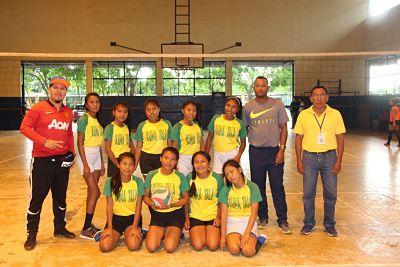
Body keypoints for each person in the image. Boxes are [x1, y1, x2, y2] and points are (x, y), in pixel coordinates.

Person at [20, 76, 76, 251]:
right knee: (37, 199)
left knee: (60, 198)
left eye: (63, 89)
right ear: (49, 90)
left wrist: (72, 153)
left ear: (66, 92)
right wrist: (45, 141)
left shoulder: (68, 112)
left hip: (62, 162)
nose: (59, 91)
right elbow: (24, 128)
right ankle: (32, 233)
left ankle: (59, 228)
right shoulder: (38, 109)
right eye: (56, 88)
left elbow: (68, 134)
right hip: (42, 161)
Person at [242, 76, 292, 234]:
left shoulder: (277, 104)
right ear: (254, 88)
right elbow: (244, 130)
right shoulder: (247, 107)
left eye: (263, 85)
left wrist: (282, 150)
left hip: (274, 151)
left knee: (277, 186)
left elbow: (283, 128)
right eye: (257, 86)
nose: (260, 88)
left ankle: (283, 220)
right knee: (258, 186)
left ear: (268, 87)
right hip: (256, 151)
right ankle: (263, 217)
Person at [294, 85, 345, 237]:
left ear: (327, 97)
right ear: (311, 98)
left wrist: (339, 161)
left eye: (322, 95)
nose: (319, 98)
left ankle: (329, 224)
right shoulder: (304, 114)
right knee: (308, 193)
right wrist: (298, 159)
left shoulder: (335, 114)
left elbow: (341, 138)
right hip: (309, 158)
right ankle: (308, 223)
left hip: (330, 157)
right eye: (315, 95)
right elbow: (298, 138)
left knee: (331, 193)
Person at [143, 147, 189, 253]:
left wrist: (172, 205)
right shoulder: (152, 174)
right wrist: (151, 204)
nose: (169, 161)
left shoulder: (180, 176)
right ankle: (164, 232)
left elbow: (186, 199)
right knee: (151, 247)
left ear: (177, 161)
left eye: (173, 159)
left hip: (175, 214)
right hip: (157, 215)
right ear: (160, 158)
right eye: (166, 158)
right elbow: (146, 197)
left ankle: (174, 231)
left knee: (170, 247)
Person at [99, 152, 144, 252]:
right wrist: (109, 227)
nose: (127, 167)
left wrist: (135, 226)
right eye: (124, 163)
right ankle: (118, 233)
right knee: (105, 247)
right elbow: (109, 206)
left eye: (131, 164)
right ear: (118, 165)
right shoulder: (110, 182)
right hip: (116, 219)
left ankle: (138, 231)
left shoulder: (138, 182)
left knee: (134, 246)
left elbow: (138, 207)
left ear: (134, 166)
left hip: (132, 218)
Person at [219, 160, 264, 257]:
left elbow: (254, 213)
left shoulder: (253, 187)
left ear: (239, 170)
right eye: (227, 174)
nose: (230, 176)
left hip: (248, 222)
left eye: (232, 171)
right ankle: (240, 240)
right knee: (234, 250)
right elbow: (223, 214)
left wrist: (247, 233)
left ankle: (259, 241)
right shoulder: (225, 189)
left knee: (248, 251)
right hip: (232, 222)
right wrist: (223, 237)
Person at [76, 92, 105, 239]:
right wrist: (86, 164)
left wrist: (102, 163)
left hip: (96, 157)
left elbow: (99, 144)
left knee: (91, 192)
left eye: (97, 102)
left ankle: (88, 225)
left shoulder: (97, 121)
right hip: (86, 156)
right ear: (86, 104)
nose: (95, 104)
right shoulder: (84, 119)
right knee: (96, 192)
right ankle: (85, 228)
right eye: (92, 102)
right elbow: (79, 143)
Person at [185, 151, 224, 251]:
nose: (200, 165)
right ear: (193, 165)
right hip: (196, 216)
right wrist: (187, 218)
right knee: (198, 246)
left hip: (212, 216)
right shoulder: (189, 178)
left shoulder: (217, 178)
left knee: (213, 246)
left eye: (203, 161)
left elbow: (221, 201)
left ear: (209, 163)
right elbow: (186, 201)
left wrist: (218, 217)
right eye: (196, 162)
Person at [205, 97, 246, 175]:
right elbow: (209, 138)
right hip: (217, 154)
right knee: (218, 179)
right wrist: (206, 154)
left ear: (237, 109)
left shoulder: (240, 123)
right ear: (224, 106)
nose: (230, 109)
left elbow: (243, 143)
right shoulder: (216, 119)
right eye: (228, 105)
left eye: (233, 107)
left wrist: (238, 156)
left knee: (232, 179)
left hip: (232, 154)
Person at [135, 99, 172, 179]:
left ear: (159, 109)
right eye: (148, 109)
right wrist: (136, 162)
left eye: (154, 109)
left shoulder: (167, 124)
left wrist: (171, 159)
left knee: (162, 182)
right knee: (149, 184)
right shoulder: (142, 126)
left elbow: (169, 143)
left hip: (162, 157)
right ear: (145, 111)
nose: (151, 112)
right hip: (146, 158)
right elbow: (138, 147)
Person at [171, 100, 204, 176]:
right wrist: (174, 163)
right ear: (183, 111)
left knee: (195, 182)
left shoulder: (198, 126)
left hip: (197, 158)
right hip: (182, 159)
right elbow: (174, 147)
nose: (191, 113)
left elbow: (201, 144)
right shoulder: (177, 127)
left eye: (194, 110)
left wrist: (204, 159)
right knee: (183, 182)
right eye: (188, 110)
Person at [104, 103, 135, 178]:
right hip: (115, 160)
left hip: (126, 160)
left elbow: (130, 143)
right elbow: (107, 149)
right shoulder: (110, 127)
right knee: (115, 185)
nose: (122, 114)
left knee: (126, 184)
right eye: (119, 111)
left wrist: (134, 158)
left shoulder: (126, 127)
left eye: (125, 112)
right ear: (114, 112)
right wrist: (117, 164)